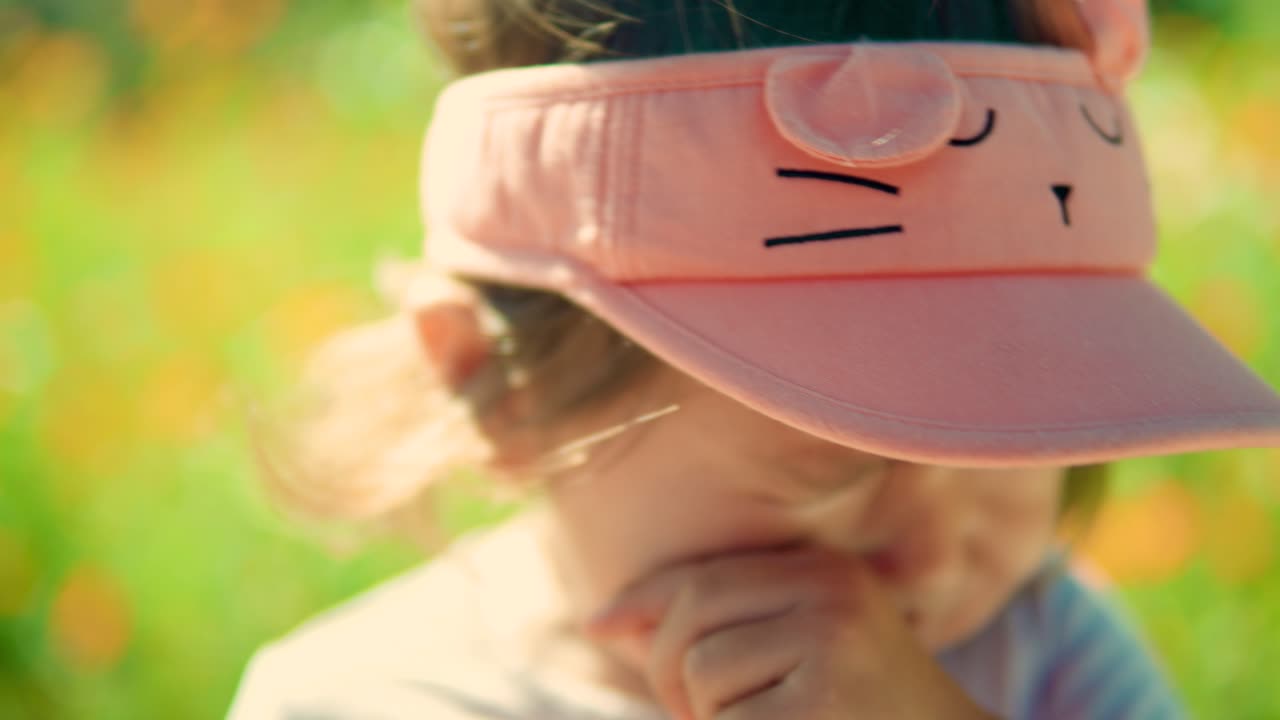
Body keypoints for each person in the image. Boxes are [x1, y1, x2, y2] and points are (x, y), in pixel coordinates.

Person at [229, 1, 1280, 718]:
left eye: (1015, 445)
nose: (931, 555)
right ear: (500, 389)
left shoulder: (1042, 649)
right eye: (836, 473)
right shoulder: (364, 699)